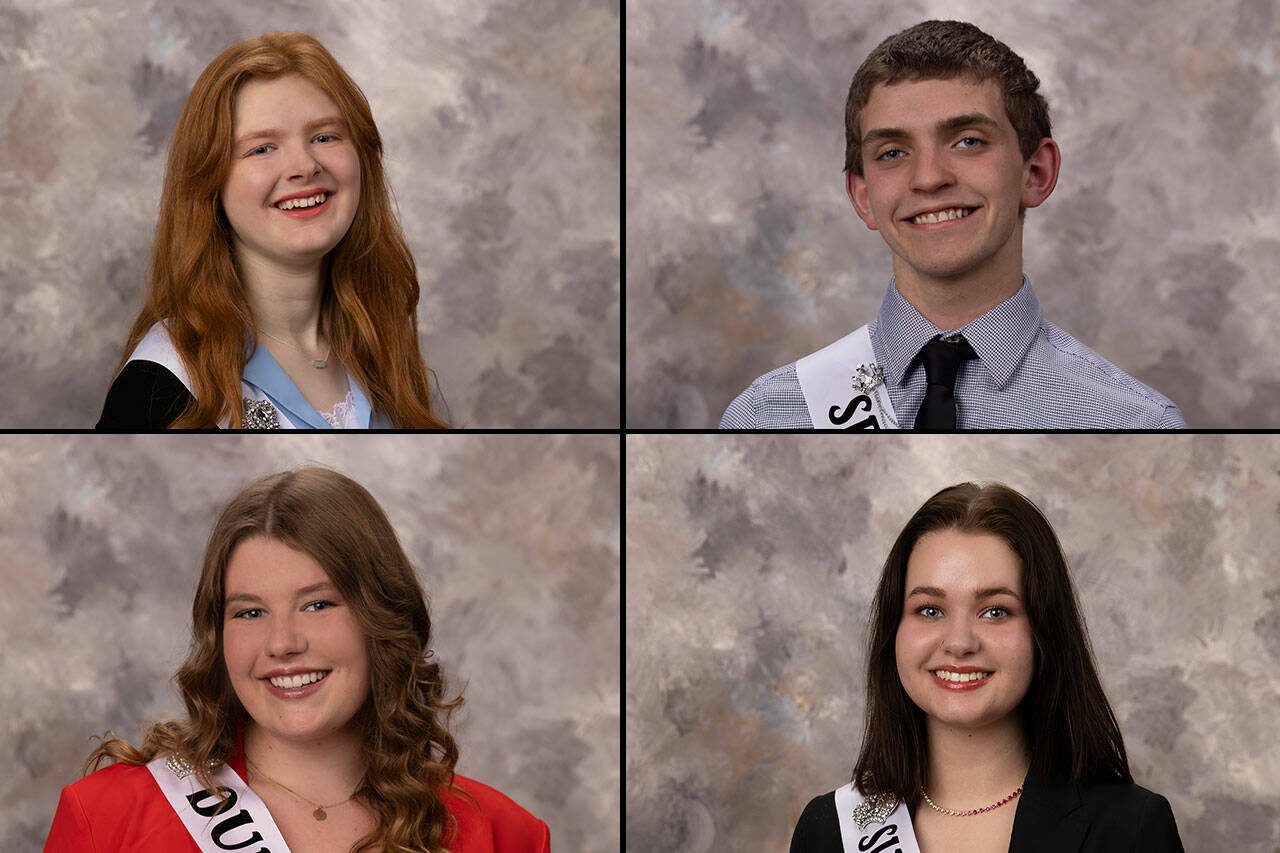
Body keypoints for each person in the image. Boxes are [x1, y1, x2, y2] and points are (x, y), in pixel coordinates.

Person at [44, 468, 548, 852]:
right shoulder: (107, 818)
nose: (281, 642)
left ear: (382, 617)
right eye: (250, 612)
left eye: (318, 604)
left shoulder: (504, 835)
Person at [721, 21, 1185, 430]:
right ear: (863, 197)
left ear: (1035, 173)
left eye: (967, 141)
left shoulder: (1132, 420)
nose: (929, 178)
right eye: (892, 153)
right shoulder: (768, 415)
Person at [789, 483, 1184, 852]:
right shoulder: (828, 833)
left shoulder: (1130, 829)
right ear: (894, 629)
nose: (959, 643)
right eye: (929, 610)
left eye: (996, 611)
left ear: (1044, 631)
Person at [97, 32, 449, 429]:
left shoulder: (377, 340)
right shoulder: (160, 383)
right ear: (209, 182)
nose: (305, 165)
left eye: (324, 137)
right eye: (262, 148)